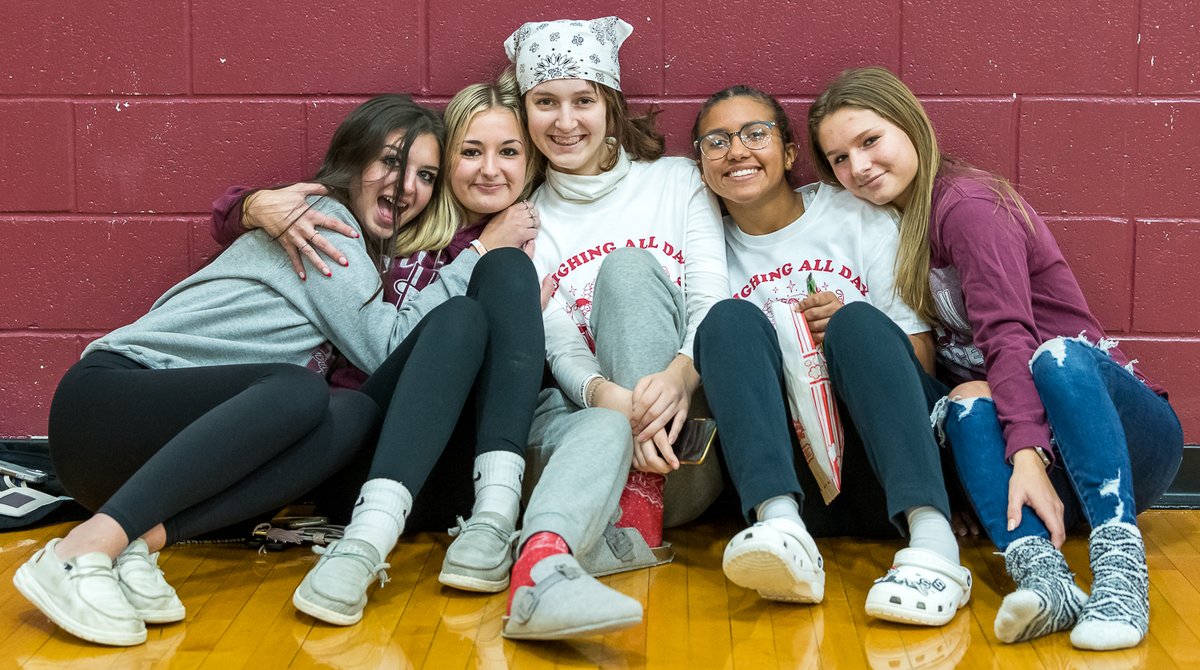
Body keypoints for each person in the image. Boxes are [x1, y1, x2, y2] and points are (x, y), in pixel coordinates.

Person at [14, 94, 441, 646]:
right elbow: (385, 347)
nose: (408, 185)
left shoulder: (355, 246)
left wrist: (247, 203)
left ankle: (138, 542)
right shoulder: (327, 225)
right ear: (354, 161)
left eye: (426, 174)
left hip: (154, 461)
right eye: (391, 161)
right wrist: (484, 256)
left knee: (352, 412)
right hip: (109, 401)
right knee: (296, 390)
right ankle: (75, 552)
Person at [808, 66, 1184, 650]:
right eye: (837, 158)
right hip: (1037, 466)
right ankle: (1046, 580)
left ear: (910, 125)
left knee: (1053, 357)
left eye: (869, 140)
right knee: (964, 402)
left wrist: (1027, 452)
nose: (857, 167)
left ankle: (1120, 576)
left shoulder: (967, 206)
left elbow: (1009, 337)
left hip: (1114, 440)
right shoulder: (887, 224)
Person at [208, 81, 548, 618]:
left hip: (458, 472)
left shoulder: (527, 240)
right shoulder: (388, 230)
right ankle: (364, 543)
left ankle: (495, 518)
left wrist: (508, 272)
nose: (488, 170)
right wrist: (251, 205)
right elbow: (252, 213)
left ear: (531, 163)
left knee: (505, 272)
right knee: (459, 311)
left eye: (508, 152)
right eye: (469, 152)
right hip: (361, 465)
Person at [688, 85, 971, 627]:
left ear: (791, 152)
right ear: (700, 164)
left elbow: (920, 358)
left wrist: (840, 328)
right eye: (716, 141)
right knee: (725, 320)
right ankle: (781, 529)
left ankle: (934, 541)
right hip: (794, 471)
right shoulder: (705, 247)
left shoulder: (852, 214)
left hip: (882, 465)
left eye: (756, 134)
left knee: (859, 321)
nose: (737, 151)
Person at [497, 16, 729, 640]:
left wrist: (680, 377)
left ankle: (638, 510)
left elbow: (714, 301)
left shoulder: (678, 180)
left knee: (627, 271)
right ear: (525, 110)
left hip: (685, 455)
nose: (564, 120)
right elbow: (559, 341)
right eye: (545, 102)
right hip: (598, 457)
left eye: (583, 100)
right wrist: (612, 400)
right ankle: (544, 572)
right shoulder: (528, 220)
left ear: (611, 105)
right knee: (595, 420)